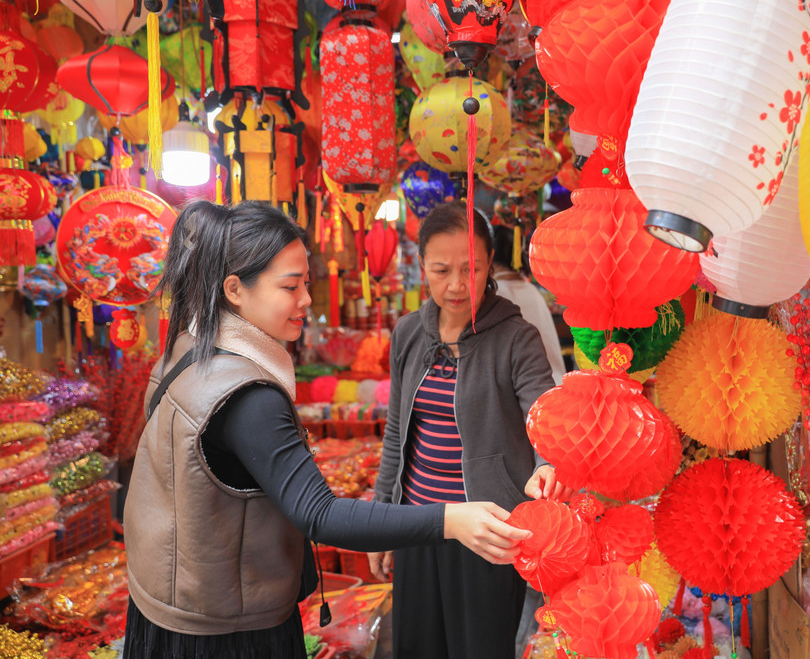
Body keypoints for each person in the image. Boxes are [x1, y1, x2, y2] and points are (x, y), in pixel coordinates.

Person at [122, 201, 532, 659]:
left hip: (169, 603)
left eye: (306, 283)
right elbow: (319, 513)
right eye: (290, 286)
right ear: (234, 289)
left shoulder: (186, 353)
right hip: (221, 625)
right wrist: (451, 518)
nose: (306, 300)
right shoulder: (247, 396)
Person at [368, 203, 574, 659]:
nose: (457, 284)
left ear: (490, 264)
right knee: (417, 647)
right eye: (441, 270)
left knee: (480, 648)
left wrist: (547, 464)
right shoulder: (408, 334)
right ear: (422, 264)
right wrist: (382, 518)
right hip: (417, 522)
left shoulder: (516, 338)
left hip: (488, 530)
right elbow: (397, 432)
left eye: (471, 268)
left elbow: (545, 416)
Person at [491, 224, 566, 385]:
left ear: (489, 257)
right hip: (554, 383)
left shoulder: (497, 293)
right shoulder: (532, 291)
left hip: (532, 388)